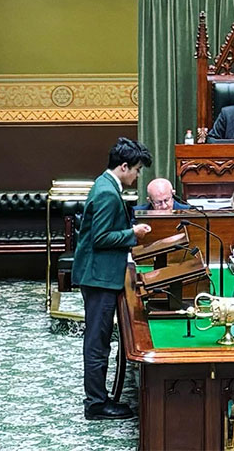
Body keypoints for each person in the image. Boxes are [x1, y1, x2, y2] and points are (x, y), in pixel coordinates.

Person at [72, 137, 153, 421]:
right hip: (98, 278)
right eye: (137, 169)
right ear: (124, 166)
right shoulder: (107, 192)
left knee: (100, 339)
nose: (137, 175)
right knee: (98, 341)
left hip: (100, 274)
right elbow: (102, 237)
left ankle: (98, 398)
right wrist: (134, 234)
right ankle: (96, 403)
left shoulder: (105, 184)